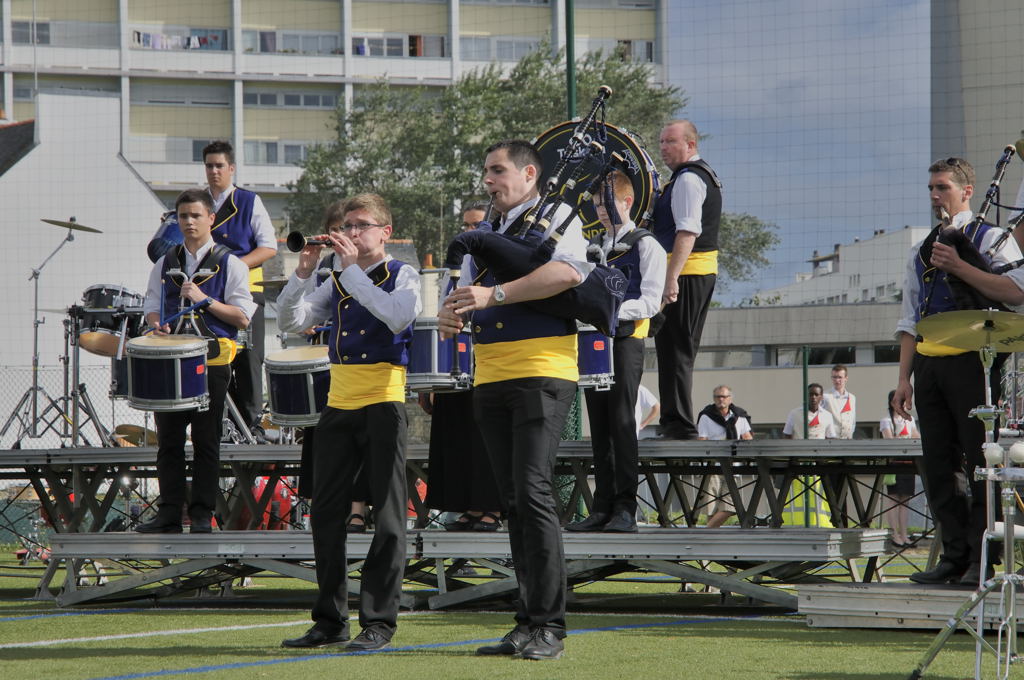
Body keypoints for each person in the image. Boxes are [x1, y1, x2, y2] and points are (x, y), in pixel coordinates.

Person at [437, 140, 594, 661]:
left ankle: (549, 624)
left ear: (530, 174)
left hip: (543, 371)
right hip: (493, 375)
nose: (488, 179)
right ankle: (527, 622)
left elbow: (569, 274)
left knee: (532, 493)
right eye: (485, 171)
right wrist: (452, 310)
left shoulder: (560, 216)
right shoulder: (496, 230)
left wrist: (494, 295)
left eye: (498, 170)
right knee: (513, 501)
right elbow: (467, 295)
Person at [277, 193, 420, 651]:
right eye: (348, 225)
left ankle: (378, 621)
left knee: (390, 517)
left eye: (361, 225)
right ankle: (330, 619)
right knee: (324, 514)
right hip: (337, 403)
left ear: (385, 232)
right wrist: (302, 273)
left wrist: (351, 269)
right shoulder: (337, 278)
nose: (352, 232)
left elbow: (398, 318)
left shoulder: (404, 275)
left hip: (383, 400)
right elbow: (291, 321)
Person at [894, 157, 1024, 585]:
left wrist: (960, 266)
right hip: (930, 362)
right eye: (931, 188)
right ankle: (953, 555)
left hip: (976, 360)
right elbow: (910, 317)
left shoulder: (991, 237)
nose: (935, 195)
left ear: (967, 191)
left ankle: (982, 556)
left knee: (980, 461)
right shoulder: (921, 249)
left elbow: (1016, 291)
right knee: (938, 464)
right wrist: (903, 379)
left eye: (943, 187)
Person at [135, 189, 256, 533]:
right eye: (183, 216)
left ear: (211, 219)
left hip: (211, 362)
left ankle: (202, 514)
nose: (189, 222)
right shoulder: (164, 261)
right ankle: (169, 513)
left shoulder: (231, 263)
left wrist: (203, 300)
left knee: (207, 440)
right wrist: (156, 322)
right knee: (169, 442)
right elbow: (152, 305)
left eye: (196, 216)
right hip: (170, 363)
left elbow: (243, 317)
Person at [567, 171, 665, 534]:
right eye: (596, 205)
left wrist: (611, 312)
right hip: (596, 343)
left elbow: (651, 301)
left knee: (623, 423)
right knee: (600, 424)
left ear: (627, 201)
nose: (601, 211)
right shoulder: (596, 246)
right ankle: (602, 506)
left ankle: (626, 507)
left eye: (607, 203)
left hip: (626, 341)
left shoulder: (646, 245)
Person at [426, 200, 504, 533]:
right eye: (466, 226)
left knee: (486, 434)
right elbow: (447, 307)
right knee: (456, 426)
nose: (469, 232)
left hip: (496, 354)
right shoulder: (460, 263)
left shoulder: (504, 256)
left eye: (476, 225)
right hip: (462, 356)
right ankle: (466, 505)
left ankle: (490, 508)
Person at [294, 201, 371, 533]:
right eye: (338, 229)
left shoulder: (375, 264)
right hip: (325, 360)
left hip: (364, 364)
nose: (345, 235)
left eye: (352, 228)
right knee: (321, 435)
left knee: (361, 438)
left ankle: (358, 507)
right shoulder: (324, 264)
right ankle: (326, 506)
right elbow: (303, 311)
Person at [202, 140, 278, 438]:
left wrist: (234, 268)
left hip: (246, 292)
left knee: (248, 359)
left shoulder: (248, 201)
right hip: (207, 297)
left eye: (219, 165)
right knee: (212, 358)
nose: (214, 171)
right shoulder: (198, 203)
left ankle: (252, 427)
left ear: (231, 168)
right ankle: (216, 426)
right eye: (209, 165)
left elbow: (269, 247)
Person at [652, 120, 722, 440]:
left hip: (689, 272)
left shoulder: (689, 179)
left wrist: (670, 279)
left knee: (677, 348)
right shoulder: (688, 177)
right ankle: (674, 420)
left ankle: (679, 424)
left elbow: (687, 231)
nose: (663, 148)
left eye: (670, 142)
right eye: (662, 141)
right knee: (672, 347)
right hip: (692, 272)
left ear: (690, 145)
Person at [695, 385, 753, 528]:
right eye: (717, 397)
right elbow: (702, 441)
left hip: (733, 466)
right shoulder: (706, 416)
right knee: (711, 508)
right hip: (713, 467)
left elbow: (747, 438)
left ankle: (705, 534)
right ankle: (711, 542)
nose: (721, 399)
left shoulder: (739, 416)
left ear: (730, 398)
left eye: (724, 396)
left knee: (730, 506)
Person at [781, 383, 835, 527]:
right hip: (799, 463)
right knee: (796, 494)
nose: (813, 397)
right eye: (810, 394)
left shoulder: (827, 416)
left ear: (821, 397)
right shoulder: (795, 413)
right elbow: (786, 435)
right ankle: (793, 522)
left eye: (816, 394)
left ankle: (820, 522)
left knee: (820, 494)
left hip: (820, 464)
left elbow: (831, 439)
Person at [881, 389, 920, 548]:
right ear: (892, 403)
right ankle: (894, 534)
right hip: (894, 463)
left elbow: (916, 436)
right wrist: (904, 438)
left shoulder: (909, 420)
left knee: (905, 500)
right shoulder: (886, 420)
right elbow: (889, 439)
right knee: (893, 499)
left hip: (908, 462)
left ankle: (904, 535)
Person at [822, 364, 856, 439]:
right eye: (834, 377)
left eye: (840, 377)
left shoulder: (852, 398)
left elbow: (853, 421)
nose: (837, 380)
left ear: (846, 378)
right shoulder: (825, 396)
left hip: (848, 441)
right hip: (830, 441)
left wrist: (850, 435)